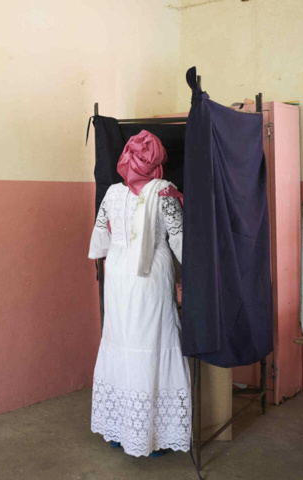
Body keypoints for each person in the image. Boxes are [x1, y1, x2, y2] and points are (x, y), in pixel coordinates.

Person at [88, 130, 190, 457]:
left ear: (126, 158)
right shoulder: (166, 195)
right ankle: (151, 434)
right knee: (153, 342)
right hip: (150, 274)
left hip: (118, 274)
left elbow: (100, 241)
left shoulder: (112, 194)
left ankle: (120, 429)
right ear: (158, 160)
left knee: (121, 339)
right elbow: (180, 242)